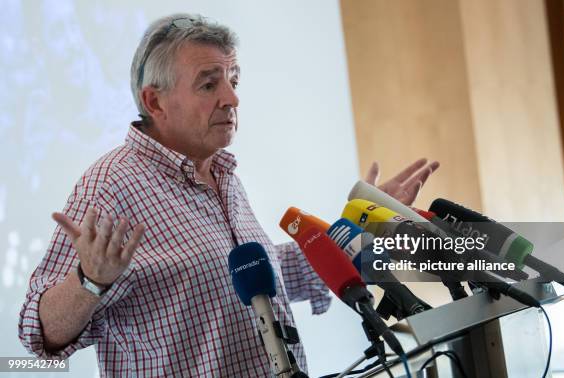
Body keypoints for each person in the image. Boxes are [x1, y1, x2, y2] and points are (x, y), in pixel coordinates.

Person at [18, 13, 439, 377]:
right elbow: (37, 333)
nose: (233, 98)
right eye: (208, 85)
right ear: (155, 101)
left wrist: (366, 222)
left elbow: (266, 275)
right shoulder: (112, 185)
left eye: (233, 80)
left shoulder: (222, 173)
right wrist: (89, 281)